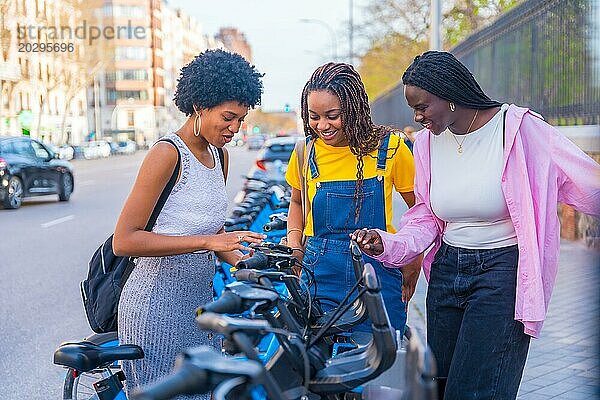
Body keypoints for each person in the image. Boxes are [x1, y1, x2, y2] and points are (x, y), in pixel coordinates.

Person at [352, 51, 600, 399]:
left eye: (423, 106)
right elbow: (426, 215)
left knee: (479, 389)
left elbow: (586, 181)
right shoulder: (426, 143)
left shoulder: (518, 129)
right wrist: (388, 243)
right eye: (413, 108)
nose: (417, 116)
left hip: (503, 274)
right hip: (447, 271)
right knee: (439, 385)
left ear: (450, 95)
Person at [112, 49, 266, 397]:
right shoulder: (167, 153)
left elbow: (214, 234)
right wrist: (209, 244)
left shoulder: (219, 155)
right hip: (155, 308)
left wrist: (253, 262)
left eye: (241, 119)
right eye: (228, 117)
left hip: (200, 307)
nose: (235, 128)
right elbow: (124, 241)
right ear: (200, 105)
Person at [285, 62, 420, 333]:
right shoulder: (305, 152)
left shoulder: (392, 148)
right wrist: (295, 246)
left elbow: (419, 210)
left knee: (383, 361)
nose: (322, 125)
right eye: (314, 116)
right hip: (318, 275)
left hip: (377, 273)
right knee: (315, 365)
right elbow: (297, 203)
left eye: (332, 115)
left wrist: (412, 261)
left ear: (354, 108)